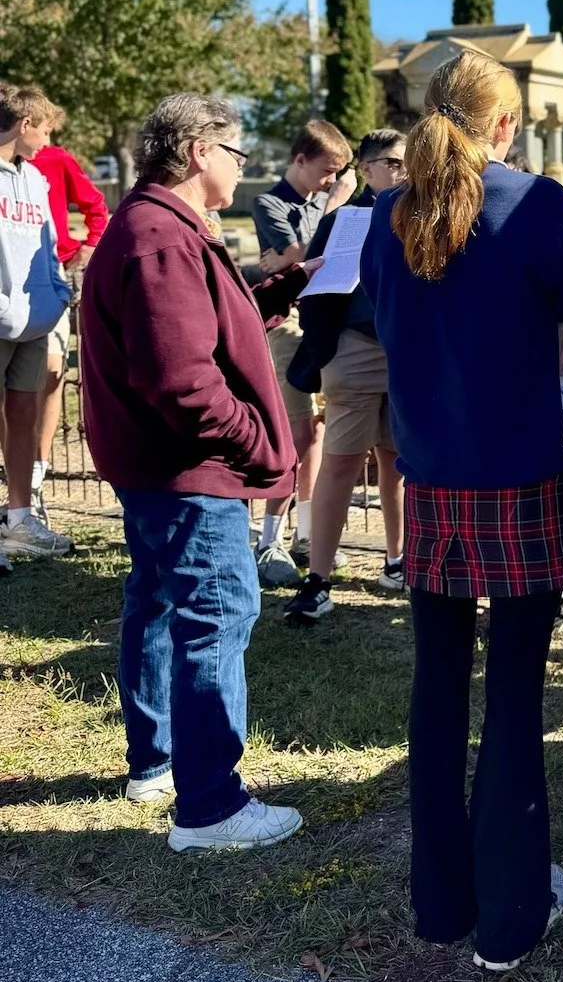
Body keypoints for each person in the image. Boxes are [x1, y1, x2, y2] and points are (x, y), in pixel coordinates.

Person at [361, 50, 563, 972]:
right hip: (521, 475)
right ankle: (511, 915)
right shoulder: (536, 205)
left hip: (432, 476)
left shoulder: (387, 212)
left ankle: (441, 903)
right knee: (516, 693)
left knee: (436, 689)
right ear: (507, 124)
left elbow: (381, 317)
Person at [80, 94, 310, 851]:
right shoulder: (159, 238)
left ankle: (157, 760)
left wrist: (284, 287)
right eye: (237, 154)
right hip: (186, 469)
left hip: (157, 466)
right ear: (198, 152)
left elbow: (209, 321)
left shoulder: (157, 227)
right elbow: (182, 379)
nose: (243, 169)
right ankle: (210, 806)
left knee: (155, 600)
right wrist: (257, 445)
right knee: (216, 615)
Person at [283, 129, 408, 623]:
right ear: (366, 168)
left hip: (404, 352)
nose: (401, 172)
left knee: (399, 463)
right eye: (391, 163)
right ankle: (318, 579)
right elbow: (314, 287)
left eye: (407, 163)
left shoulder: (423, 215)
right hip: (354, 349)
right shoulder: (344, 220)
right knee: (340, 460)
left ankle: (398, 561)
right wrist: (326, 350)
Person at [252, 119, 355, 582]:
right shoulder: (269, 202)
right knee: (297, 430)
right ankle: (269, 537)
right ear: (300, 160)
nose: (331, 180)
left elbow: (302, 256)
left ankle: (307, 532)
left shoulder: (316, 202)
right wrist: (333, 210)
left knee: (315, 429)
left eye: (338, 173)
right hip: (286, 324)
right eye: (327, 170)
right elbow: (304, 254)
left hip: (319, 320)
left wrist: (295, 257)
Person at [0, 83, 74, 564]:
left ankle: (19, 520)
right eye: (44, 129)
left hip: (36, 319)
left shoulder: (36, 180)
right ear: (25, 124)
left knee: (24, 418)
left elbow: (47, 245)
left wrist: (59, 292)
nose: (47, 140)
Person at [29, 96, 109, 525]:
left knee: (51, 374)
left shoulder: (56, 159)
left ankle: (35, 481)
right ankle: (19, 479)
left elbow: (96, 206)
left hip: (49, 275)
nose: (47, 139)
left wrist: (89, 246)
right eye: (43, 129)